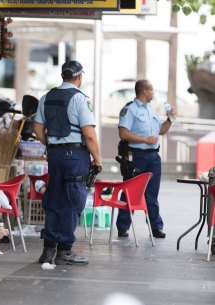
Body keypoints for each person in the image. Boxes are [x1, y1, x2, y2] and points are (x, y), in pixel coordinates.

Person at [33, 60, 102, 266]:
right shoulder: (81, 100)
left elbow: (37, 129)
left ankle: (48, 250)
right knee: (73, 201)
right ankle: (64, 250)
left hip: (54, 155)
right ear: (79, 77)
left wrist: (51, 144)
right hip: (75, 156)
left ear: (63, 76)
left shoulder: (46, 97)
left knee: (54, 198)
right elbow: (89, 135)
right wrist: (97, 159)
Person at [115, 79, 174, 239]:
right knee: (130, 191)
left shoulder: (151, 109)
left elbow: (160, 131)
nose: (153, 93)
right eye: (152, 89)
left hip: (154, 156)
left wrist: (170, 120)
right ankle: (122, 226)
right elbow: (123, 133)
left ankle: (155, 227)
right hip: (136, 156)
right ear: (145, 91)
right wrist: (144, 140)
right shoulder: (130, 109)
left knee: (152, 194)